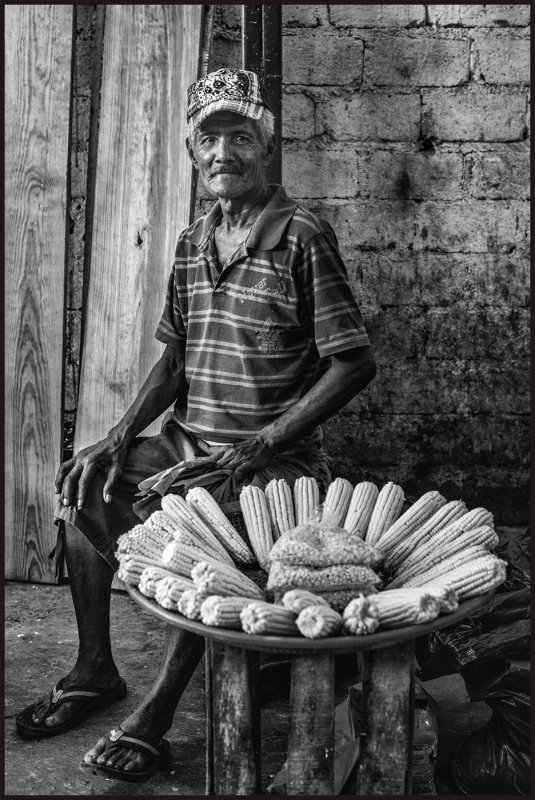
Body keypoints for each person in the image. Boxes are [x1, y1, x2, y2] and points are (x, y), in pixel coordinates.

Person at [16, 68, 376, 780]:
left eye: (239, 137)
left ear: (264, 149)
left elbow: (352, 363)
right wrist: (117, 437)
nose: (222, 153)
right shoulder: (191, 241)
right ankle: (94, 670)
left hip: (275, 460)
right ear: (192, 152)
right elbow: (175, 362)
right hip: (190, 441)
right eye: (208, 139)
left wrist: (262, 444)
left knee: (205, 543)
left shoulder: (302, 237)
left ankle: (153, 714)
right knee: (89, 484)